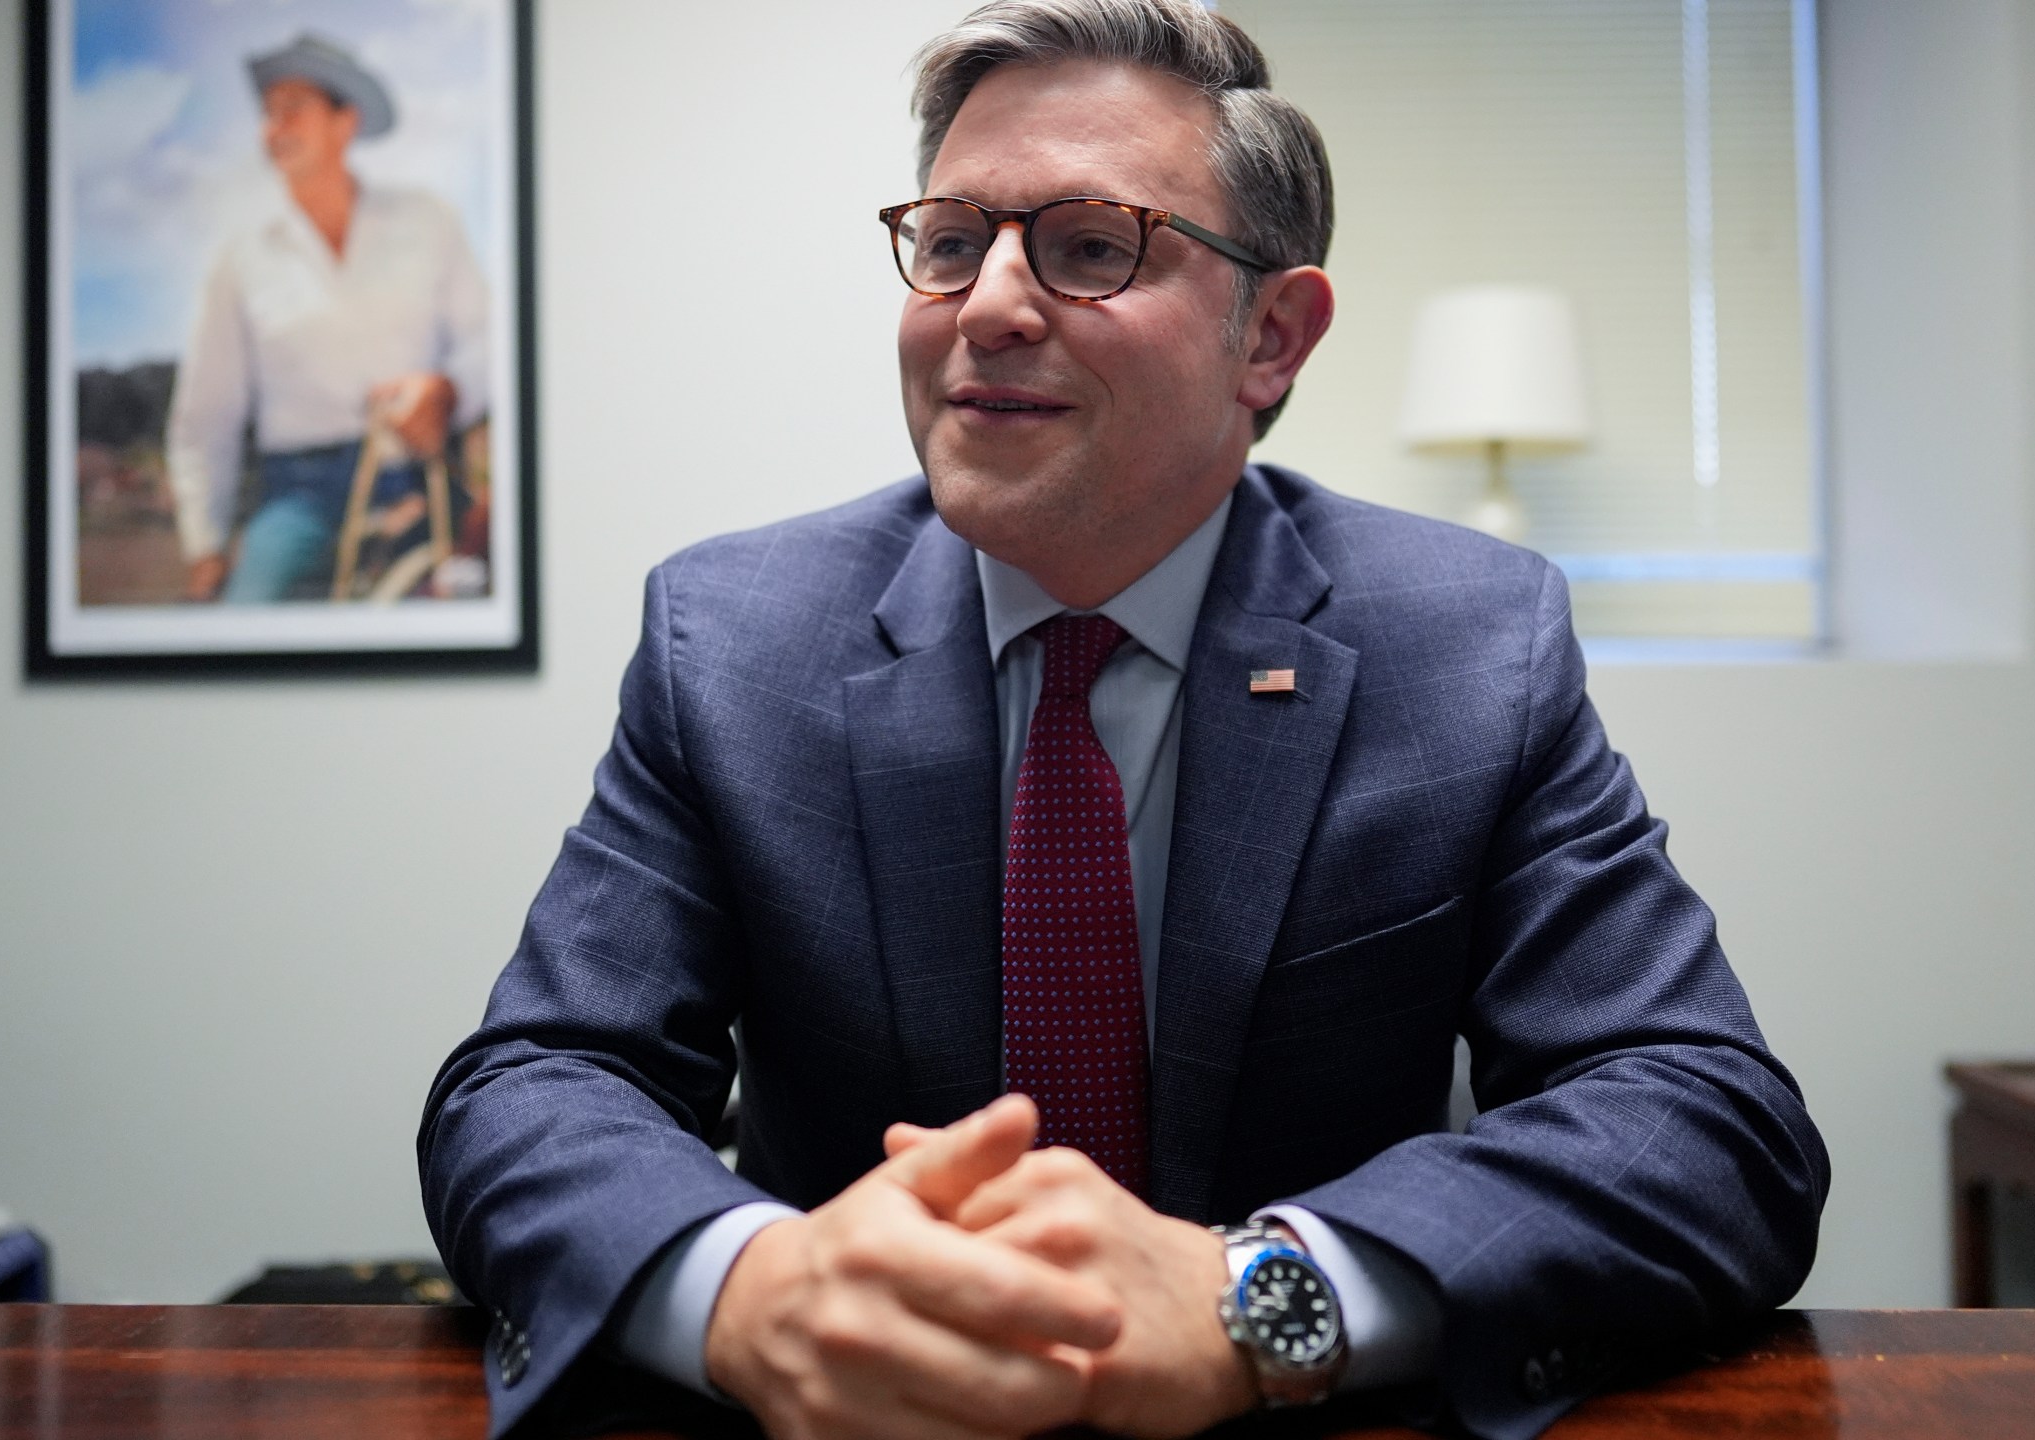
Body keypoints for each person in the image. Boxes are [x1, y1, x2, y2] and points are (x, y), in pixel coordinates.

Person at [419, 4, 1828, 1439]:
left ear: (1268, 334)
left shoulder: (1466, 644)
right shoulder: (732, 641)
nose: (989, 305)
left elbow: (1702, 1119)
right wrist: (748, 1287)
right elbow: (535, 1083)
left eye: (1091, 246)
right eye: (953, 241)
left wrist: (1267, 1298)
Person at [164, 32, 491, 604]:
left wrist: (448, 389)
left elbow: (490, 342)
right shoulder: (240, 256)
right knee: (251, 631)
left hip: (424, 478)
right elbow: (205, 413)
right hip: (297, 495)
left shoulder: (427, 220)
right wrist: (206, 545)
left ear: (346, 122)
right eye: (268, 115)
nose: (274, 129)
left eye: (293, 109)